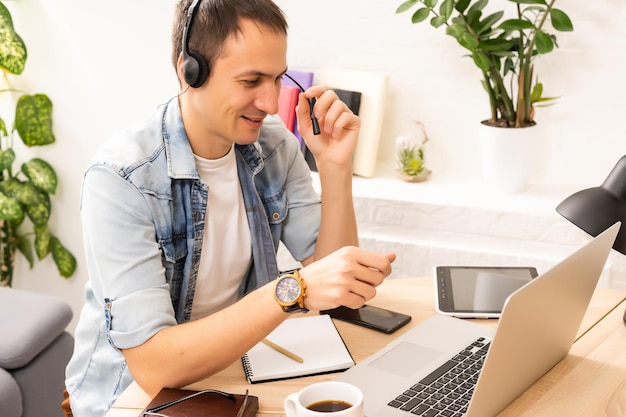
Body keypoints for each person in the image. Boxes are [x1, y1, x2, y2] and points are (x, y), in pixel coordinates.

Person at [63, 0, 395, 416]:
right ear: (190, 71)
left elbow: (335, 288)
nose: (272, 103)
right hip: (133, 398)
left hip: (227, 374)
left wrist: (334, 165)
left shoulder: (274, 147)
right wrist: (291, 291)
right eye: (252, 80)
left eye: (277, 79)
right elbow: (153, 366)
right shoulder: (121, 179)